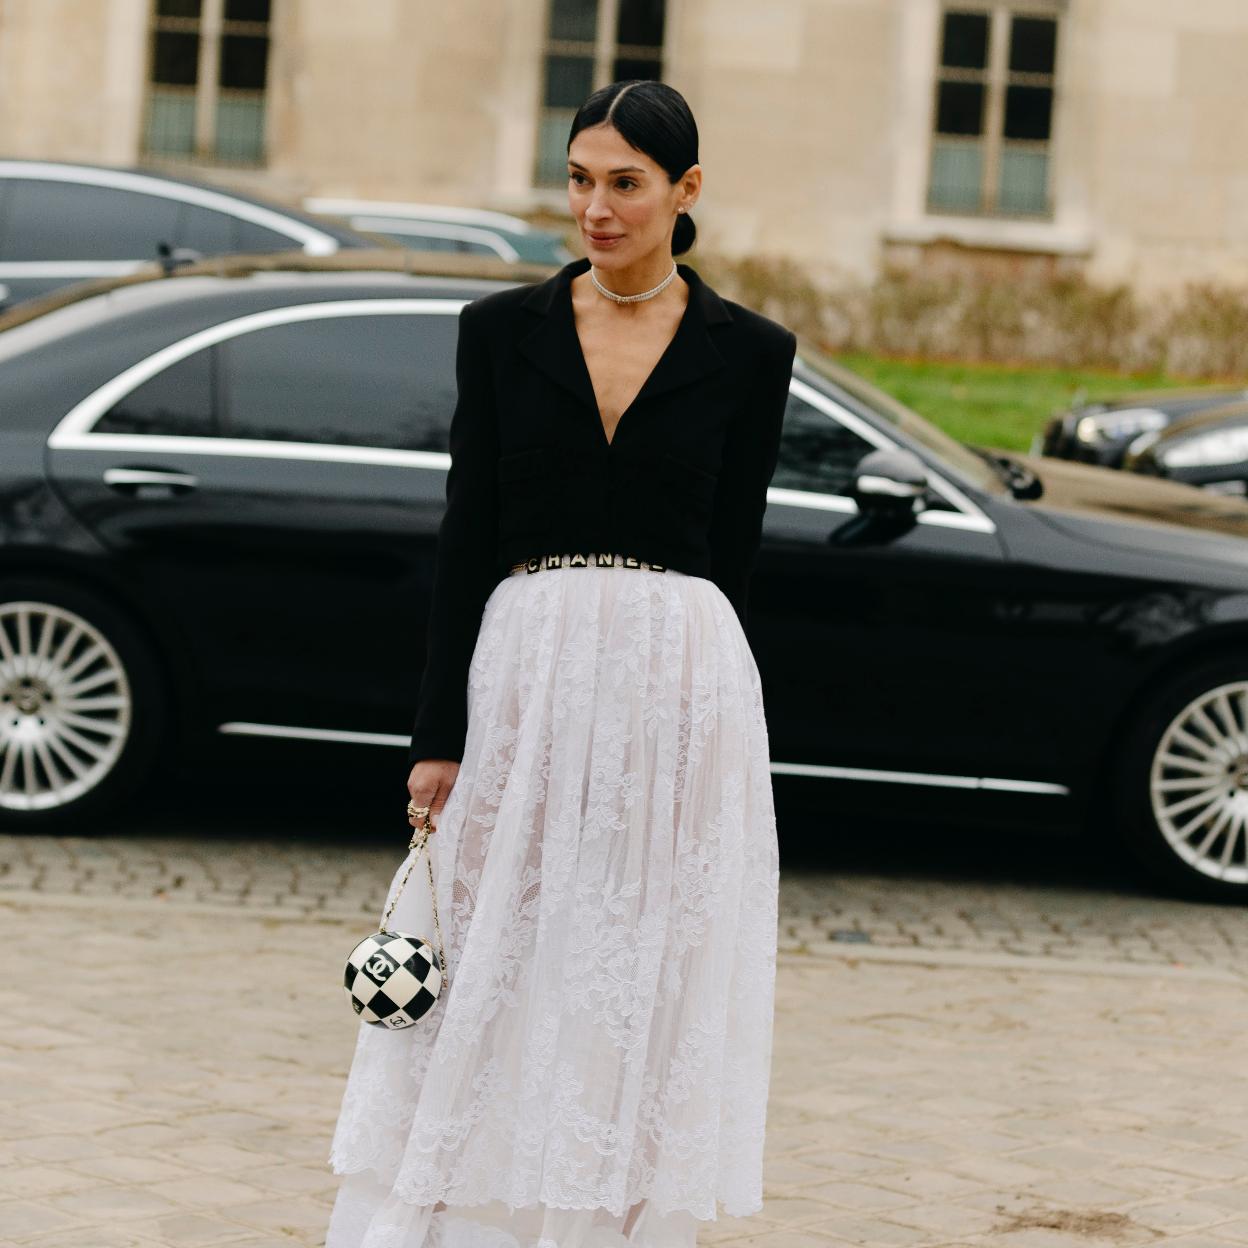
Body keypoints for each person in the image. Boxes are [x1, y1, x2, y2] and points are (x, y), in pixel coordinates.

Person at [325, 78, 797, 1248]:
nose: (595, 208)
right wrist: (438, 738)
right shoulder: (500, 332)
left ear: (686, 191)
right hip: (526, 677)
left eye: (625, 183)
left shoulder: (752, 353)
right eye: (580, 179)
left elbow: (733, 554)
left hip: (680, 685)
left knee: (639, 962)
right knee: (499, 945)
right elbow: (466, 535)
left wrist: (717, 741)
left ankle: (604, 1218)